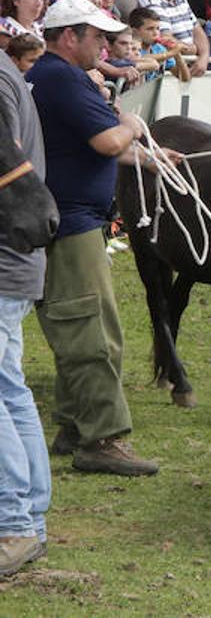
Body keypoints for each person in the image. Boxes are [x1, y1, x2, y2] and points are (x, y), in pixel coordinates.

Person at [29, 0, 165, 475]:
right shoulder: (63, 79)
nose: (106, 45)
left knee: (79, 324)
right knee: (93, 331)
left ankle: (74, 424)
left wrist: (151, 156)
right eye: (98, 37)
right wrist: (130, 122)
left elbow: (93, 147)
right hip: (71, 226)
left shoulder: (51, 76)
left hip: (65, 221)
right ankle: (101, 439)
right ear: (70, 37)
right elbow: (109, 139)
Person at [0, 41, 50, 575]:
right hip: (18, 254)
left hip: (7, 253)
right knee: (10, 387)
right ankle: (28, 520)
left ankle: (13, 523)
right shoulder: (6, 70)